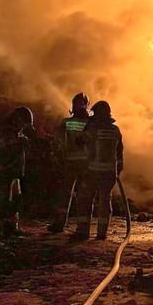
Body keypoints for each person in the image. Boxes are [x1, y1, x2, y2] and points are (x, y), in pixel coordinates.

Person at [72, 100, 124, 241]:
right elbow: (120, 152)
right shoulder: (115, 130)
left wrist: (86, 125)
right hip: (109, 173)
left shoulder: (92, 130)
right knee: (105, 201)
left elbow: (79, 141)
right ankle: (102, 233)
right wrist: (118, 169)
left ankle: (83, 231)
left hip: (92, 171)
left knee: (84, 199)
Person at [0, 106, 34, 241]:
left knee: (15, 199)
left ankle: (11, 228)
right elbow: (1, 151)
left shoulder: (18, 134)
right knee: (1, 200)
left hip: (14, 173)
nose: (24, 127)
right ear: (18, 119)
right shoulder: (5, 132)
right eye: (24, 123)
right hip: (4, 172)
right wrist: (19, 144)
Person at [49, 92, 91, 233]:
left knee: (65, 194)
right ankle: (83, 228)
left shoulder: (66, 123)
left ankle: (60, 224)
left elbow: (58, 142)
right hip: (86, 165)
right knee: (83, 195)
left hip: (69, 163)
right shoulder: (91, 124)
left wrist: (57, 157)